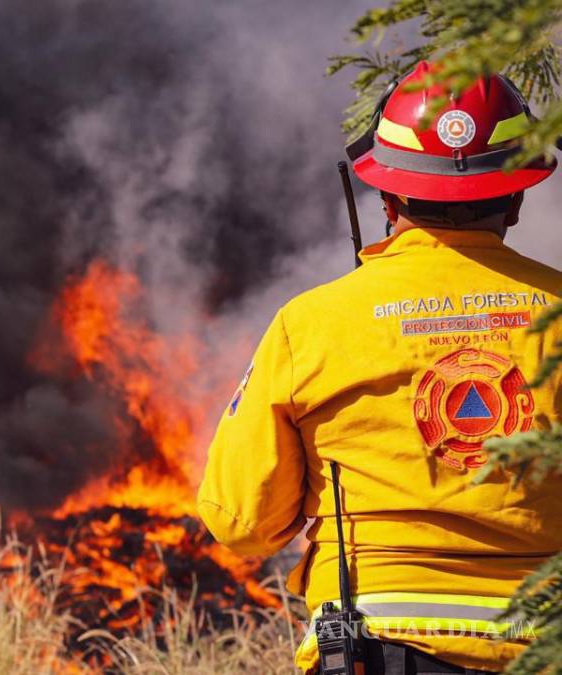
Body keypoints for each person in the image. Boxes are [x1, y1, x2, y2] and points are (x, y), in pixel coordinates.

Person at [198, 61, 562, 674]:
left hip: (373, 647)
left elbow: (242, 522)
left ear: (386, 196)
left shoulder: (310, 324)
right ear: (518, 197)